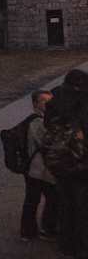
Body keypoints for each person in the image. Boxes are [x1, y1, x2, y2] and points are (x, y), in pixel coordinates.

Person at [43, 69, 88, 259]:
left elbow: (48, 128)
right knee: (82, 208)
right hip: (82, 165)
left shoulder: (55, 102)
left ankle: (66, 247)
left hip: (59, 164)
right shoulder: (84, 103)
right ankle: (82, 248)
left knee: (64, 204)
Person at [20, 89, 57, 242]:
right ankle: (45, 230)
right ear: (36, 103)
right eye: (44, 100)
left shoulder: (37, 120)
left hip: (34, 169)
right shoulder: (37, 122)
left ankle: (28, 232)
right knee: (51, 198)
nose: (49, 103)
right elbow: (46, 142)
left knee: (32, 199)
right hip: (38, 170)